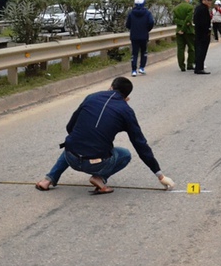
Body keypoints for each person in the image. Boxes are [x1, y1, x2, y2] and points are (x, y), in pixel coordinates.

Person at [35, 77, 175, 194]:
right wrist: (159, 175)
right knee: (125, 154)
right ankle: (99, 178)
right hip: (96, 163)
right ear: (127, 97)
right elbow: (140, 144)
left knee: (74, 141)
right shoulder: (126, 111)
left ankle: (48, 180)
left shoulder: (91, 97)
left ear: (111, 87)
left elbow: (69, 127)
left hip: (71, 156)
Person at [125, 0, 155, 77]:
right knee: (144, 52)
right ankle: (141, 67)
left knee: (134, 53)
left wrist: (133, 28)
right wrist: (147, 29)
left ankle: (133, 70)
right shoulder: (147, 13)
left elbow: (127, 24)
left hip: (134, 36)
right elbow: (151, 22)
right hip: (144, 36)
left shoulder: (131, 13)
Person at [172, 0, 195, 72]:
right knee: (191, 48)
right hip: (188, 31)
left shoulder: (176, 8)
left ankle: (181, 66)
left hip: (178, 31)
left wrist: (180, 28)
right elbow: (188, 20)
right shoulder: (190, 7)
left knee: (180, 49)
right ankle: (190, 64)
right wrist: (184, 28)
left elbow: (175, 19)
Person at [193, 0, 213, 74]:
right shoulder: (203, 9)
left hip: (199, 33)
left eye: (210, 0)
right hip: (203, 34)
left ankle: (199, 67)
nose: (210, 2)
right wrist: (207, 30)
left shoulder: (198, 8)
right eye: (208, 0)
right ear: (203, 0)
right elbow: (203, 22)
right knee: (202, 51)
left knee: (199, 50)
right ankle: (199, 68)